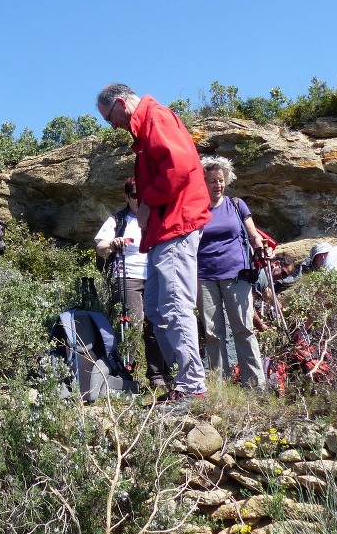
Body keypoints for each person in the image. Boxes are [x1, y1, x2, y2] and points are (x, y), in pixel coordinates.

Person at [96, 83, 212, 400]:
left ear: (120, 103)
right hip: (163, 230)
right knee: (155, 307)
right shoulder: (146, 128)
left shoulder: (157, 118)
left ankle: (192, 387)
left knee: (174, 306)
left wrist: (146, 201)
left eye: (110, 118)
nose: (114, 126)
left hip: (176, 224)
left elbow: (181, 168)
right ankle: (183, 381)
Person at [196, 156, 267, 388]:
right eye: (212, 181)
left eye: (221, 180)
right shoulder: (196, 210)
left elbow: (253, 232)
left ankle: (255, 384)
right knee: (213, 332)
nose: (218, 185)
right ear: (202, 182)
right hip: (204, 276)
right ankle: (220, 385)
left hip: (236, 274)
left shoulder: (236, 204)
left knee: (243, 328)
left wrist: (258, 245)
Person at [94, 177, 168, 392]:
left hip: (154, 276)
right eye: (135, 195)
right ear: (126, 197)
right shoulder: (118, 220)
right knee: (132, 324)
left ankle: (157, 376)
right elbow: (100, 246)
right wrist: (114, 243)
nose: (140, 199)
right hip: (127, 276)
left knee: (155, 325)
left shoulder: (155, 217)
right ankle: (126, 374)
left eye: (143, 194)